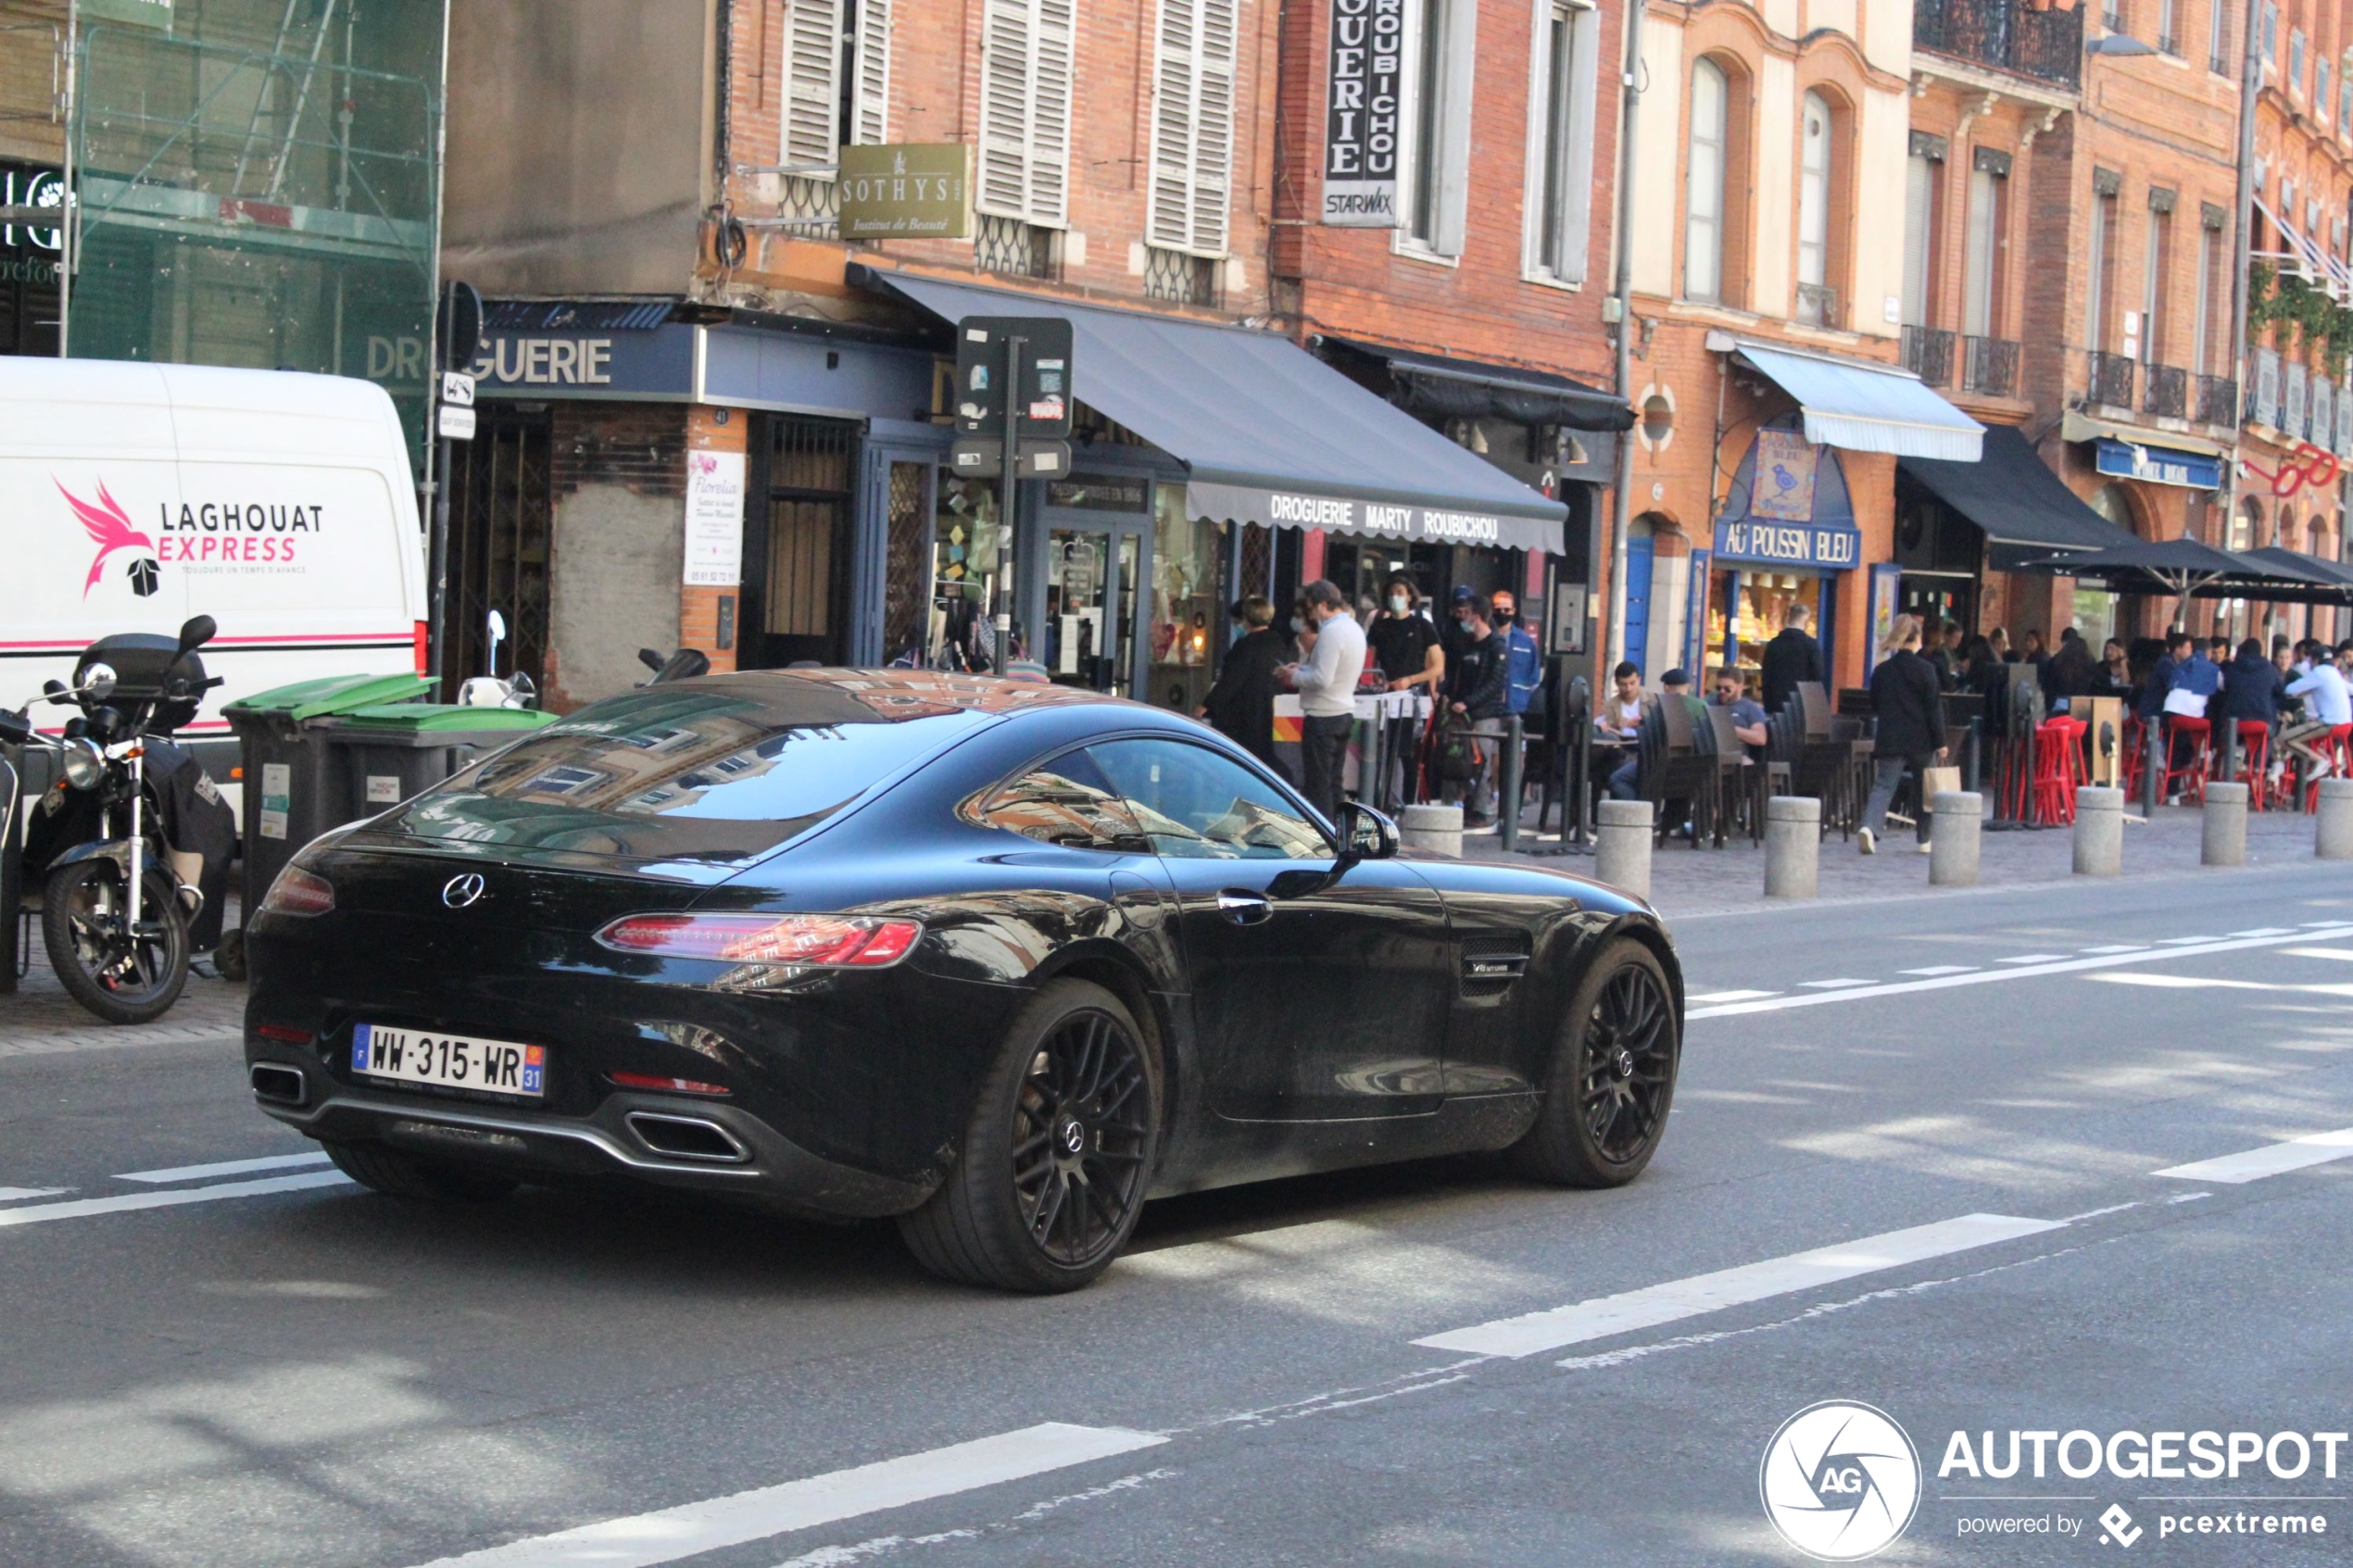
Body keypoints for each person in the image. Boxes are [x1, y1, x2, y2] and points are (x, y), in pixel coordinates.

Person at [1278, 579, 1366, 823]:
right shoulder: (1354, 628)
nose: (1311, 614)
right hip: (1344, 711)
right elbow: (1329, 670)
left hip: (1323, 715)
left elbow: (1322, 678)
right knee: (1335, 783)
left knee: (1318, 785)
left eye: (1312, 607)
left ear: (1324, 604)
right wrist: (1304, 667)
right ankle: (1341, 831)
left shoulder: (1331, 632)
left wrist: (1293, 675)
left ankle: (1325, 834)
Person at [1858, 613, 1945, 856]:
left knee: (1884, 785)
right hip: (1922, 740)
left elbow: (1875, 703)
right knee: (1924, 788)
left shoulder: (1883, 671)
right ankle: (1924, 838)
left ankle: (1869, 827)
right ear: (1916, 638)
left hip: (1891, 737)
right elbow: (1933, 709)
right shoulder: (1927, 670)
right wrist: (1941, 743)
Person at [1365, 573, 1443, 807]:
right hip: (1386, 694)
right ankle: (1381, 802)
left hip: (1412, 695)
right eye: (1390, 593)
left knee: (1410, 755)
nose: (1394, 597)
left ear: (1410, 595)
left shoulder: (1422, 625)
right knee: (1384, 753)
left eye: (1399, 592)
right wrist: (1374, 681)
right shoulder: (1380, 626)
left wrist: (1410, 680)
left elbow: (1437, 665)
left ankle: (1408, 804)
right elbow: (1369, 660)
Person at [1199, 596, 1290, 779]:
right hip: (1271, 710)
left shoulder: (1245, 647)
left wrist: (1208, 705)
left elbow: (1232, 681)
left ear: (1246, 619)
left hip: (1245, 713)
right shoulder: (1278, 643)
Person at [1442, 594, 1509, 825]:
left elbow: (1494, 684)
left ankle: (1481, 809)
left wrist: (1468, 703)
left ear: (1477, 617)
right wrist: (1446, 694)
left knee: (1481, 762)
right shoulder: (1466, 644)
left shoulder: (1496, 646)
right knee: (1457, 759)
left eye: (1467, 614)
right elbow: (1456, 676)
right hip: (1462, 713)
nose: (1463, 618)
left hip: (1485, 713)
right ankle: (1455, 803)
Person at [2217, 635, 2285, 783]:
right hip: (2262, 722)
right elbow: (2280, 692)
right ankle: (2257, 770)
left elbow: (2225, 688)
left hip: (2234, 722)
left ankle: (2235, 755)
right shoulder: (2270, 670)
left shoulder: (2232, 669)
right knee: (2268, 736)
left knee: (2227, 733)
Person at [2284, 638, 2353, 782]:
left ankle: (2320, 760)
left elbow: (2290, 690)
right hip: (2346, 723)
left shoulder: (2319, 672)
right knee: (2303, 737)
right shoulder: (2334, 673)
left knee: (2285, 739)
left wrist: (2307, 690)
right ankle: (2325, 758)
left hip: (2329, 723)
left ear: (2315, 661)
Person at [1760, 601, 1824, 715]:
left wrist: (1767, 705)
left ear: (1789, 619)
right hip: (1801, 702)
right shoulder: (1810, 645)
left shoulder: (1774, 644)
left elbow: (1766, 676)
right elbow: (1817, 676)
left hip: (1776, 702)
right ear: (1805, 621)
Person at [1602, 662, 1646, 801]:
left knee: (1621, 774)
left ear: (1639, 680)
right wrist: (1617, 724)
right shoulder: (1610, 705)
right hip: (1621, 749)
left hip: (1644, 749)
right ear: (1616, 683)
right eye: (1623, 684)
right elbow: (1603, 727)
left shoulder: (1652, 701)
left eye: (1632, 683)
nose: (1628, 688)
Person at [1710, 669, 1770, 761]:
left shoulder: (1750, 708)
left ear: (1740, 687)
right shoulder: (1710, 703)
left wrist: (1730, 730)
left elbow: (1760, 738)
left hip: (1738, 756)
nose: (1722, 691)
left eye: (1727, 688)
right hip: (1711, 752)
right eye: (1718, 688)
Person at [2043, 629, 2097, 712]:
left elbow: (2048, 684)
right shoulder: (2089, 662)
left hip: (2060, 702)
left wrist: (2049, 704)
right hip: (2082, 704)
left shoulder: (2058, 660)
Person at [1928, 621, 1966, 690]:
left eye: (1960, 638)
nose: (1959, 641)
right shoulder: (1940, 653)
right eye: (1955, 637)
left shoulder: (1952, 654)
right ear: (1947, 636)